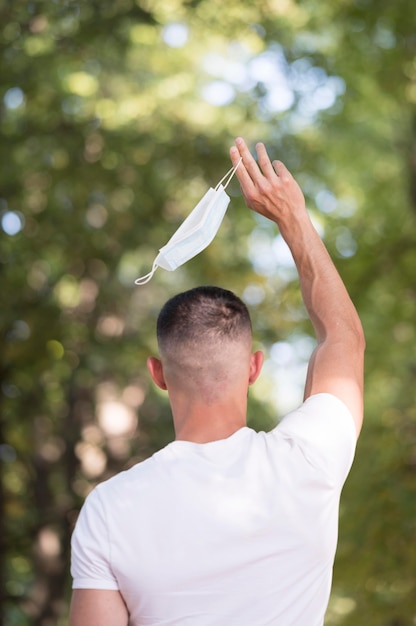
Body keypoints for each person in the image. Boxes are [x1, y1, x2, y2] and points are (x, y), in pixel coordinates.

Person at [69, 137, 365, 626]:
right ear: (254, 368)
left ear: (158, 374)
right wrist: (292, 217)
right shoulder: (307, 462)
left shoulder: (109, 509)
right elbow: (344, 340)